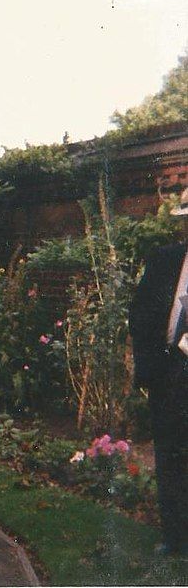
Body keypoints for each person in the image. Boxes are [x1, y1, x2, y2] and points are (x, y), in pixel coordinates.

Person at [129, 187, 188, 557]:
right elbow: (140, 315)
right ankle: (174, 536)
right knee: (169, 456)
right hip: (170, 374)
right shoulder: (165, 260)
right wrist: (149, 373)